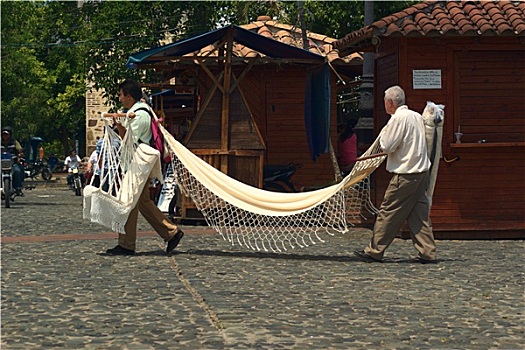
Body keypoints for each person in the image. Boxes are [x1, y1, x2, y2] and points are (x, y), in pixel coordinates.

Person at [354, 86, 437, 264]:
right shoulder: (416, 116)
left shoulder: (397, 119)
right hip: (422, 173)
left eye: (385, 101)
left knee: (388, 211)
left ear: (390, 102)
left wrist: (384, 133)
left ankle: (375, 250)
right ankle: (427, 252)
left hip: (406, 174)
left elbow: (387, 146)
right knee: (418, 214)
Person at [105, 78, 183, 256]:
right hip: (136, 164)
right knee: (142, 202)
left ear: (129, 96)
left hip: (138, 164)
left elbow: (129, 140)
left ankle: (126, 244)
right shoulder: (137, 112)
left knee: (128, 202)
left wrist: (118, 124)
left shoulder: (139, 115)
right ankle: (171, 232)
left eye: (121, 95)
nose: (120, 99)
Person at [1, 126, 25, 196]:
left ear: (10, 135)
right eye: (4, 134)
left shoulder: (14, 142)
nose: (5, 136)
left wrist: (20, 155)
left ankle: (18, 188)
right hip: (0, 163)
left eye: (7, 134)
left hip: (12, 163)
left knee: (17, 171)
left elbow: (20, 150)